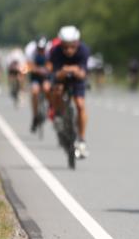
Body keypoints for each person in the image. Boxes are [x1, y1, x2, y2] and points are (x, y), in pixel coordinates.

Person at [47, 25, 91, 158]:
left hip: (77, 79)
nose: (69, 50)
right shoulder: (55, 51)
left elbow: (83, 74)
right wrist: (65, 71)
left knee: (80, 105)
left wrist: (73, 70)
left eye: (72, 46)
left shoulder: (84, 50)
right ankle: (58, 114)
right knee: (57, 90)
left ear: (77, 43)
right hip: (61, 77)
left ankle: (82, 140)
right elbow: (55, 74)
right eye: (65, 47)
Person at [24, 36, 52, 131]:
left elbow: (52, 64)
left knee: (47, 88)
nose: (41, 51)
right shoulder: (30, 50)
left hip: (46, 74)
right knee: (35, 92)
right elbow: (28, 65)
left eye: (43, 49)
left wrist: (47, 69)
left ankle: (50, 107)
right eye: (39, 49)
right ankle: (35, 116)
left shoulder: (50, 49)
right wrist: (36, 69)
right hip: (35, 75)